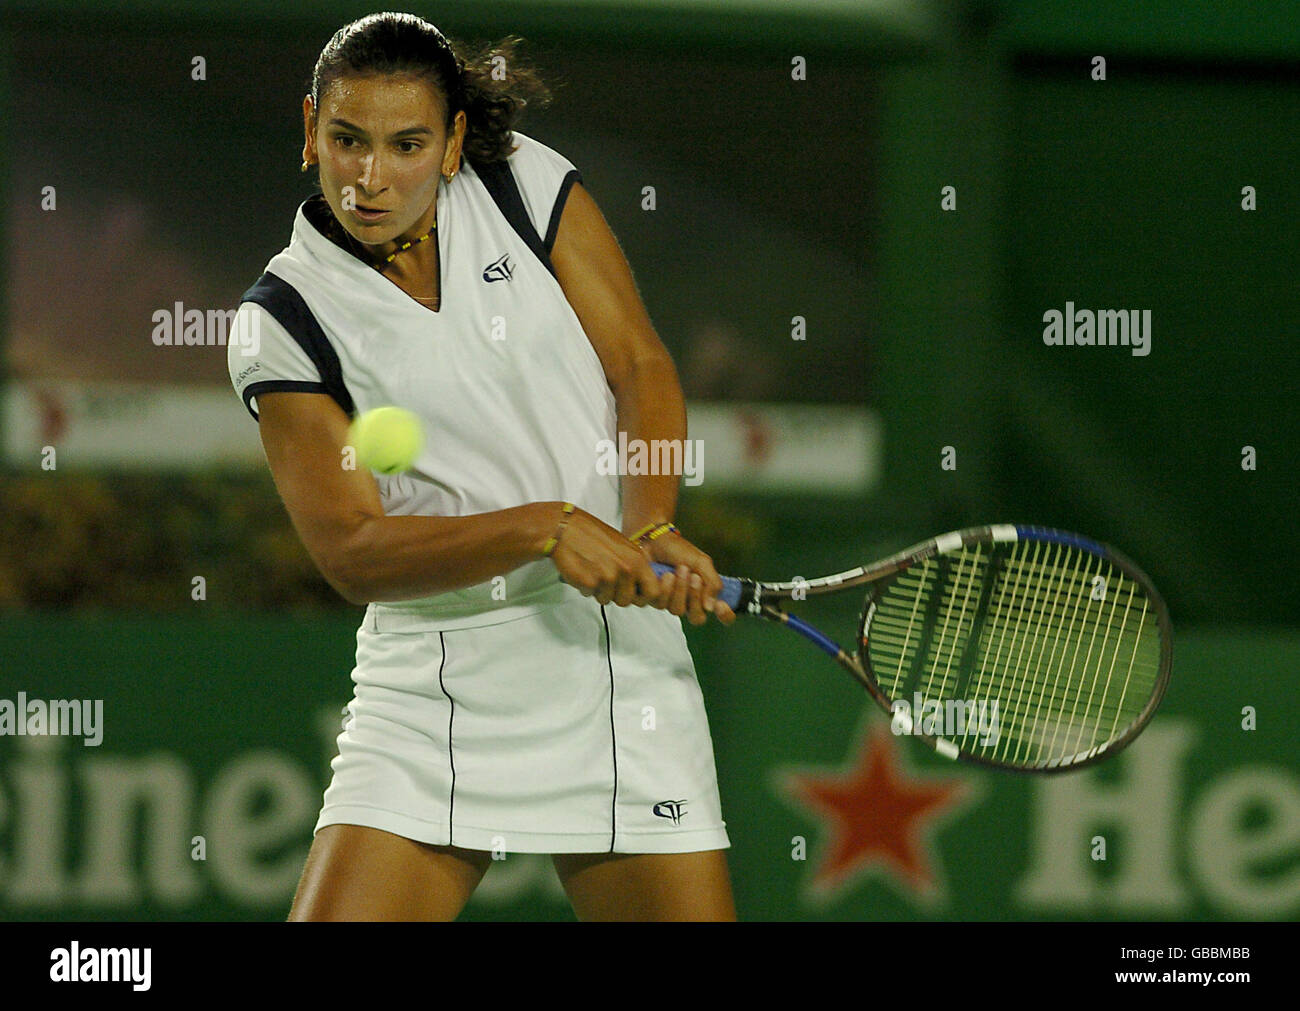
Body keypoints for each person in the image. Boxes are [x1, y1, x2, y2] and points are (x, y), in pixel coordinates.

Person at [226, 12, 737, 921]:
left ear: (455, 141)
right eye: (347, 139)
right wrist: (545, 527)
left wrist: (650, 519)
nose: (370, 177)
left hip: (615, 671)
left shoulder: (520, 183)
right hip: (433, 689)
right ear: (310, 130)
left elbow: (639, 363)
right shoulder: (283, 317)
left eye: (407, 144)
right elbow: (353, 551)